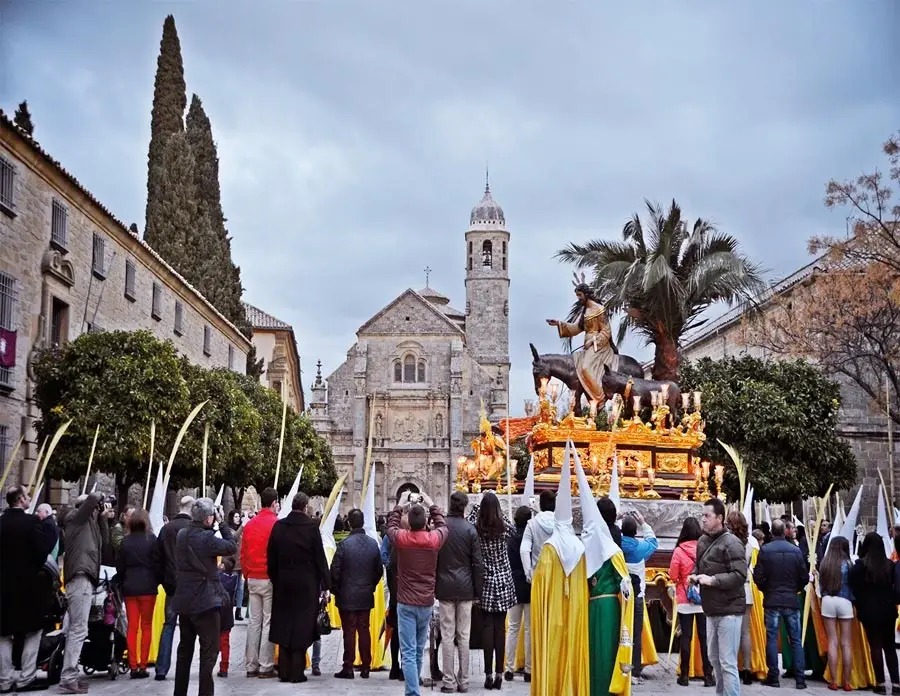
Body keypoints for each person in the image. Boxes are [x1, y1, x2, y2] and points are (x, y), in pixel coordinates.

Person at [386, 492, 449, 696]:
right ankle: (414, 688)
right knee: (419, 649)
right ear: (425, 523)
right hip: (426, 602)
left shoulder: (403, 539)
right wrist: (432, 505)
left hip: (405, 602)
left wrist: (400, 505)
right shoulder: (433, 541)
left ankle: (412, 692)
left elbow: (390, 527)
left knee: (409, 652)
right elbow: (443, 527)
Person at [171, 498, 236, 696]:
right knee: (209, 653)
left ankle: (179, 692)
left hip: (185, 600)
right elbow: (231, 546)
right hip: (205, 602)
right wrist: (223, 523)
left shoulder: (182, 534)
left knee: (185, 651)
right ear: (208, 519)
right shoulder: (207, 539)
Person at [267, 492, 330, 684]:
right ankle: (297, 671)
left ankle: (284, 670)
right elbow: (320, 558)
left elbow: (271, 558)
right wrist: (326, 585)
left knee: (285, 625)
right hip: (306, 584)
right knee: (302, 627)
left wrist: (276, 578)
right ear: (304, 507)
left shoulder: (279, 527)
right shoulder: (311, 528)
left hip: (284, 582)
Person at [0, 486, 58, 693]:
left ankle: (4, 679)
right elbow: (43, 551)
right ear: (21, 499)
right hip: (29, 587)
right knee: (32, 632)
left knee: (4, 634)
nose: (29, 499)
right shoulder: (32, 522)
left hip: (4, 587)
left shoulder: (1, 523)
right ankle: (26, 676)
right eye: (27, 496)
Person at [689, 497, 747, 696]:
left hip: (729, 610)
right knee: (714, 658)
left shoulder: (732, 543)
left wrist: (713, 580)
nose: (703, 520)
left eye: (707, 516)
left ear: (720, 518)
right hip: (711, 609)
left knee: (727, 661)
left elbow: (740, 575)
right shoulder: (703, 540)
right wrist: (695, 576)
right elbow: (701, 565)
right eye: (702, 515)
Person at [59, 492, 113, 695]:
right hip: (80, 577)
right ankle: (68, 677)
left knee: (78, 628)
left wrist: (103, 518)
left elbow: (104, 542)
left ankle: (70, 674)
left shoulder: (89, 526)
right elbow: (90, 500)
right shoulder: (75, 518)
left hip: (86, 577)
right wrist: (98, 496)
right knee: (78, 629)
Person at [435, 491, 483, 694]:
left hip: (445, 587)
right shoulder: (470, 530)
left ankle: (448, 681)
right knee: (463, 635)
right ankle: (463, 681)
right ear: (464, 506)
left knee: (447, 635)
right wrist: (477, 591)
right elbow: (477, 563)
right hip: (465, 588)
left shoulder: (441, 528)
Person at [467, 492, 516, 691]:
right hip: (503, 578)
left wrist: (478, 509)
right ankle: (499, 673)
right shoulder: (503, 526)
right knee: (501, 628)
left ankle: (487, 673)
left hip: (486, 578)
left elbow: (469, 521)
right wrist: (500, 514)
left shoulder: (478, 528)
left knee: (487, 626)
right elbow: (513, 529)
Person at [753, 518, 808, 689]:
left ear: (771, 532)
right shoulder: (796, 550)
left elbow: (758, 576)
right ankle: (800, 679)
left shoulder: (765, 550)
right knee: (796, 639)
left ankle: (773, 676)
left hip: (772, 599)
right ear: (785, 531)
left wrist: (765, 589)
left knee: (771, 637)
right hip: (790, 599)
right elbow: (803, 577)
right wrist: (795, 589)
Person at [330, 508, 383, 680]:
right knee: (364, 629)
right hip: (365, 594)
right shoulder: (372, 544)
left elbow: (335, 571)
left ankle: (348, 666)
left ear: (350, 523)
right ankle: (366, 666)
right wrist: (370, 586)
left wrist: (337, 590)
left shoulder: (345, 545)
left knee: (349, 631)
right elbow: (378, 571)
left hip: (347, 595)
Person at [546, 280, 616, 402]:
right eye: (577, 296)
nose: (578, 298)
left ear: (586, 294)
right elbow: (577, 328)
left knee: (585, 368)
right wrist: (559, 324)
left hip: (599, 346)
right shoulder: (585, 311)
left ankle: (599, 398)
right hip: (587, 346)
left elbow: (606, 331)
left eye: (580, 295)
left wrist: (593, 341)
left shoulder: (599, 309)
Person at [848, 532, 899, 695]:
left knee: (875, 646)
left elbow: (853, 587)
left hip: (868, 610)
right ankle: (896, 683)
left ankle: (880, 683)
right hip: (888, 609)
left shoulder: (859, 566)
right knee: (890, 646)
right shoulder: (890, 565)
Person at [115, 508, 161, 679]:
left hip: (130, 587)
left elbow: (120, 566)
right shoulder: (152, 539)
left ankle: (132, 665)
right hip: (148, 587)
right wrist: (157, 581)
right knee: (146, 626)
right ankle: (143, 665)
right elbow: (157, 564)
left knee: (132, 627)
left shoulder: (125, 542)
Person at [669, 516, 713, 687]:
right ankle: (708, 675)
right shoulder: (706, 548)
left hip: (684, 597)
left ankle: (685, 675)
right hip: (703, 597)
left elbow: (673, 574)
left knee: (686, 637)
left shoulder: (679, 551)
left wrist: (683, 579)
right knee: (704, 637)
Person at [240, 488, 279, 679]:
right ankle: (265, 664)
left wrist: (247, 573)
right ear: (274, 503)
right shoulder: (276, 524)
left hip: (252, 577)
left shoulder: (250, 524)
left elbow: (243, 552)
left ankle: (250, 664)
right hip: (268, 578)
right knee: (268, 621)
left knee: (253, 622)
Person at [155, 495, 195, 681]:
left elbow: (158, 558)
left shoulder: (166, 529)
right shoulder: (193, 529)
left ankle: (161, 668)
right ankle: (186, 667)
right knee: (193, 627)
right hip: (191, 585)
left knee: (168, 625)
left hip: (171, 585)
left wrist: (163, 580)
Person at [620, 510, 658, 682]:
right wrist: (643, 522)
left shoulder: (615, 544)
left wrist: (616, 517)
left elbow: (603, 532)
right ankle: (633, 672)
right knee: (634, 634)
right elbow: (653, 542)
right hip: (637, 598)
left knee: (617, 633)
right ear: (635, 532)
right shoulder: (641, 548)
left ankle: (618, 669)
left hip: (617, 596)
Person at [816, 536, 853, 691]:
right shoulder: (849, 564)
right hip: (845, 600)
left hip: (828, 601)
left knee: (832, 641)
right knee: (846, 642)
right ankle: (847, 681)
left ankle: (833, 681)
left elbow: (820, 584)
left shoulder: (825, 563)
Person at [727, 511, 757, 687]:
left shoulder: (728, 543)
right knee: (745, 632)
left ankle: (731, 668)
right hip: (746, 587)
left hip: (731, 588)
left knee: (730, 630)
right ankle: (747, 669)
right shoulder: (750, 545)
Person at [504, 506, 532, 684]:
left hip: (514, 584)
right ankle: (529, 669)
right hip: (529, 584)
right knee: (529, 628)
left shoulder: (510, 539)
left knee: (513, 627)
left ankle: (509, 667)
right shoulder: (532, 539)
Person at [520, 490, 556, 582]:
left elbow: (524, 549)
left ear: (540, 505)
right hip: (558, 572)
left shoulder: (532, 523)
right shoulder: (561, 524)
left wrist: (528, 573)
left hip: (538, 572)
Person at [216, 557, 238, 678]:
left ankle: (209, 665)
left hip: (216, 613)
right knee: (225, 642)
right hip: (228, 615)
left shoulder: (218, 577)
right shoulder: (234, 578)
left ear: (223, 566)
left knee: (212, 642)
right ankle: (224, 667)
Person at [225, 511, 245, 622]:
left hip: (241, 563)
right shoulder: (229, 529)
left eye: (239, 516)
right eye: (236, 516)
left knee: (241, 588)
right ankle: (229, 610)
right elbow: (234, 538)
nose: (238, 518)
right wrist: (242, 526)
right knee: (232, 587)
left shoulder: (242, 530)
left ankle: (238, 610)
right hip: (232, 563)